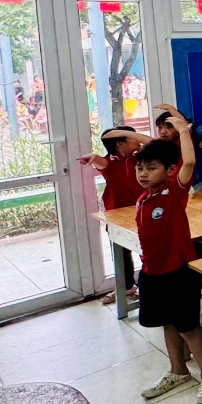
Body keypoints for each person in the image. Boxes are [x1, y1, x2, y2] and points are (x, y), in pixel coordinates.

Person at [134, 106, 202, 404]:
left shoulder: (174, 192)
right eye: (140, 169)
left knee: (189, 326)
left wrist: (183, 131)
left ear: (169, 171)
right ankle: (178, 370)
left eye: (151, 168)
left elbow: (189, 161)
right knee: (168, 323)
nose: (143, 174)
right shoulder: (143, 199)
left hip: (178, 272)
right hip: (152, 272)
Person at [79, 124, 153, 303]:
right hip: (116, 215)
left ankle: (149, 286)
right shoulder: (109, 161)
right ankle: (126, 287)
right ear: (120, 144)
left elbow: (153, 143)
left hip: (142, 212)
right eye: (132, 137)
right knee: (121, 253)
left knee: (147, 250)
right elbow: (100, 162)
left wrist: (124, 133)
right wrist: (94, 157)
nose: (137, 140)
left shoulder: (140, 157)